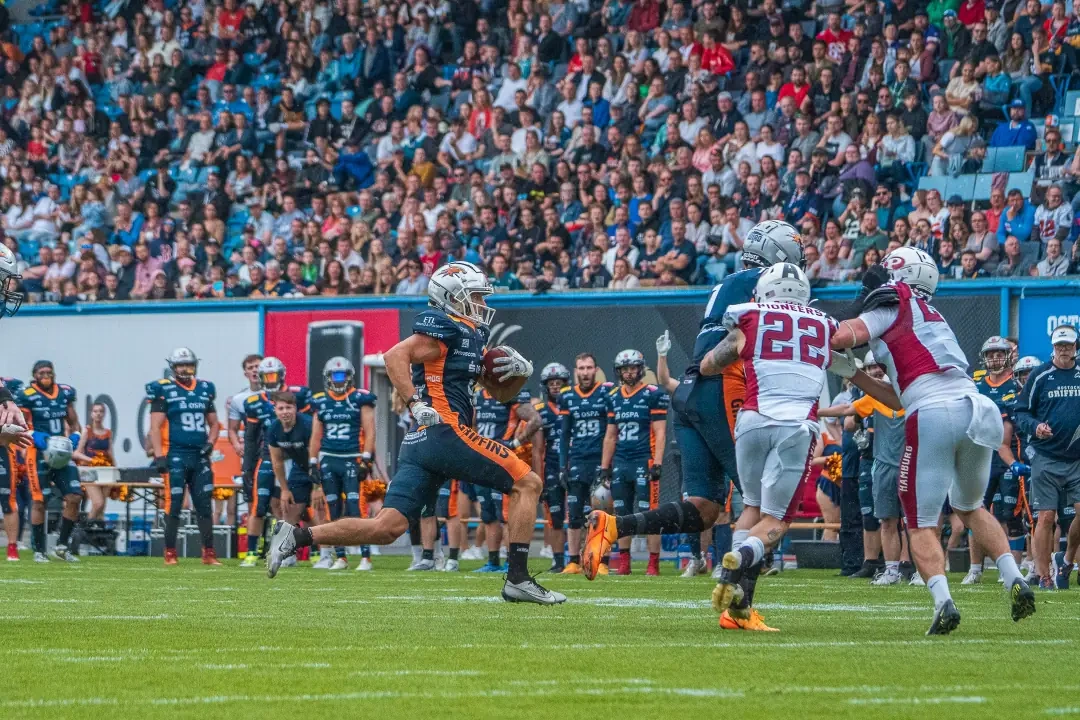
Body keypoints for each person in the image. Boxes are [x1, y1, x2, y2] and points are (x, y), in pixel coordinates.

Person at [265, 261, 563, 605]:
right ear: (451, 297)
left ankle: (295, 536)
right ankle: (518, 578)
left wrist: (518, 373)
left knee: (386, 528)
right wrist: (415, 402)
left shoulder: (470, 335)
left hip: (423, 444)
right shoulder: (443, 325)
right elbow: (395, 355)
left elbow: (500, 394)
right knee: (528, 483)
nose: (481, 304)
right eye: (475, 297)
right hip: (445, 431)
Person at [580, 220, 804, 616]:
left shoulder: (729, 283)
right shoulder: (770, 283)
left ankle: (613, 527)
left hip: (689, 389)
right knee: (760, 503)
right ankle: (741, 606)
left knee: (704, 509)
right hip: (723, 386)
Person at [829, 248, 1036, 634]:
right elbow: (901, 395)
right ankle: (1014, 579)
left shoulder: (890, 305)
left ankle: (944, 603)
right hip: (975, 407)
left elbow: (841, 335)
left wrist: (821, 322)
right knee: (970, 505)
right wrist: (855, 374)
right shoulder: (933, 316)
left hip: (934, 411)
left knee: (921, 522)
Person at [701, 263, 834, 631]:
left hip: (753, 419)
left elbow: (710, 364)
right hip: (796, 425)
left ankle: (738, 606)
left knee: (752, 507)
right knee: (777, 520)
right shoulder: (824, 323)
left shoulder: (749, 316)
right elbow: (842, 358)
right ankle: (741, 556)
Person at [1013, 325, 1080, 590]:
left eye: (1069, 345)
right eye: (1060, 345)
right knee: (1046, 517)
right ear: (1053, 347)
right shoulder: (1040, 376)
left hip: (1077, 458)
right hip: (1047, 456)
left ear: (1076, 346)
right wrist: (1036, 427)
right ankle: (1044, 576)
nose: (1064, 350)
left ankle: (1067, 559)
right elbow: (1021, 413)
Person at [301, 358, 377, 572]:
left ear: (350, 376)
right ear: (327, 378)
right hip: (329, 459)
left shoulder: (359, 398)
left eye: (342, 375)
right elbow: (316, 437)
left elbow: (370, 431)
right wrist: (312, 462)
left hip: (351, 457)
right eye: (335, 376)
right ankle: (341, 557)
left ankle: (365, 557)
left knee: (356, 508)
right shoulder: (321, 401)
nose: (338, 380)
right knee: (332, 509)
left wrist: (366, 459)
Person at [147, 349, 221, 566]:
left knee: (204, 505)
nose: (185, 369)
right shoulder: (163, 389)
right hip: (176, 454)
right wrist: (160, 456)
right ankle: (170, 553)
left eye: (189, 365)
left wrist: (210, 443)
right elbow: (155, 427)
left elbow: (214, 423)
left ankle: (209, 553)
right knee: (174, 504)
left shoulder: (205, 388)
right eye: (181, 365)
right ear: (173, 367)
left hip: (199, 456)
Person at [598, 349, 669, 576]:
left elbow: (660, 432)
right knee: (622, 514)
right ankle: (625, 562)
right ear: (619, 371)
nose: (629, 373)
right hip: (621, 461)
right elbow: (610, 435)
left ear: (640, 369)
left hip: (644, 460)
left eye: (633, 368)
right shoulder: (614, 397)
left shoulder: (652, 393)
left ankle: (653, 564)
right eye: (625, 369)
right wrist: (604, 466)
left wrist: (657, 462)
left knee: (651, 513)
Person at [964, 336, 1026, 584]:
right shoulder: (975, 384)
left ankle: (1013, 568)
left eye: (999, 353)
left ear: (1008, 355)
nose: (994, 358)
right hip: (979, 453)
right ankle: (975, 568)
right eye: (990, 355)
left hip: (1009, 453)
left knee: (1011, 515)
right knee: (974, 512)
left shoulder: (1018, 383)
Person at [241, 357, 311, 566]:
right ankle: (253, 552)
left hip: (297, 458)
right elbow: (251, 438)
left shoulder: (298, 395)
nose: (270, 380)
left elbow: (309, 429)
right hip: (269, 457)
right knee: (261, 505)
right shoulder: (254, 402)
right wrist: (247, 467)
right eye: (266, 376)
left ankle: (314, 551)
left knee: (303, 507)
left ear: (281, 375)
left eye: (274, 376)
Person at [469, 380, 537, 573]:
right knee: (488, 515)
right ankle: (492, 562)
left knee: (506, 516)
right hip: (483, 462)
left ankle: (510, 562)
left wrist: (514, 443)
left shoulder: (510, 394)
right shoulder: (478, 396)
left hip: (503, 462)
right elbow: (471, 424)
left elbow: (535, 420)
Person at [18, 361, 81, 563]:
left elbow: (74, 421)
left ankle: (62, 547)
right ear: (35, 375)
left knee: (74, 496)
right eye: (41, 372)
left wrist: (76, 435)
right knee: (39, 501)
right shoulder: (27, 395)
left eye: (48, 371)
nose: (46, 374)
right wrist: (33, 434)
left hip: (62, 452)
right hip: (38, 453)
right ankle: (39, 549)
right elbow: (19, 422)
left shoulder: (64, 393)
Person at [557, 353, 615, 575]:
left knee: (602, 512)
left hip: (599, 461)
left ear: (596, 370)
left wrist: (607, 465)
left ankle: (602, 560)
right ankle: (573, 561)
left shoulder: (606, 393)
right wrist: (563, 466)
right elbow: (564, 434)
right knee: (573, 512)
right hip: (577, 460)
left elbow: (612, 431)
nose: (585, 372)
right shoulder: (567, 396)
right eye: (581, 368)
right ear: (575, 371)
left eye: (589, 367)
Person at [534, 363, 571, 573]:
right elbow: (538, 450)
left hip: (574, 465)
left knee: (579, 516)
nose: (555, 387)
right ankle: (558, 561)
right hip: (553, 468)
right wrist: (540, 480)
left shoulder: (575, 405)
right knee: (555, 517)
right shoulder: (541, 412)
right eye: (551, 383)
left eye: (559, 383)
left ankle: (579, 557)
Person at [267, 392, 316, 529]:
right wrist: (284, 489)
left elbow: (318, 456)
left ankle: (328, 549)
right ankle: (291, 549)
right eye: (281, 408)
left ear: (295, 408)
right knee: (289, 510)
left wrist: (318, 486)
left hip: (319, 468)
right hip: (299, 468)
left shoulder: (308, 425)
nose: (285, 412)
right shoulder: (273, 429)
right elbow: (277, 461)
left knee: (320, 508)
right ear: (275, 410)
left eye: (288, 408)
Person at [74, 401, 115, 526]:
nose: (98, 414)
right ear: (91, 414)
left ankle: (97, 535)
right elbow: (76, 453)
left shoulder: (108, 433)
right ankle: (84, 530)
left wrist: (115, 468)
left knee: (102, 508)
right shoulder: (87, 431)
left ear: (104, 414)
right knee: (98, 503)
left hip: (105, 470)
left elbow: (110, 453)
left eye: (101, 411)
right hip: (90, 471)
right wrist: (92, 460)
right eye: (95, 411)